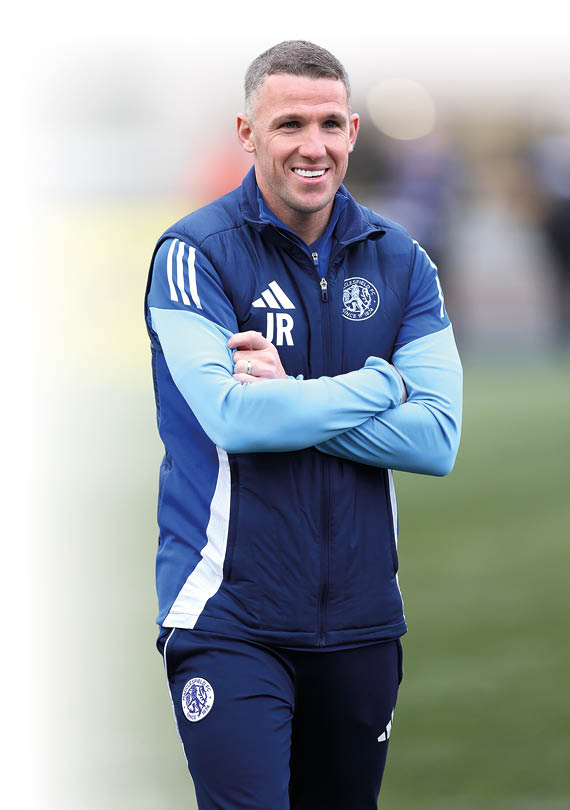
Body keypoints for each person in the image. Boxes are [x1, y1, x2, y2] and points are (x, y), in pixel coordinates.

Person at [144, 40, 462, 810]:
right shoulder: (195, 254)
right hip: (230, 615)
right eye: (288, 125)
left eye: (328, 124)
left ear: (353, 131)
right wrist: (381, 382)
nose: (311, 147)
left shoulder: (403, 261)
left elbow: (437, 439)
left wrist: (295, 397)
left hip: (363, 623)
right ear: (248, 133)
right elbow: (231, 417)